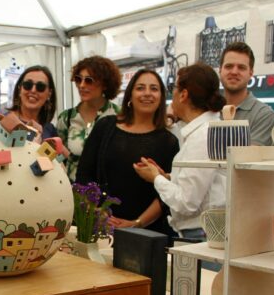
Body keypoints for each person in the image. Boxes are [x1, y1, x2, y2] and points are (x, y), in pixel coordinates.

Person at [76, 69, 179, 236]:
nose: (147, 93)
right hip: (99, 228)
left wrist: (136, 224)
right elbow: (84, 175)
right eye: (140, 88)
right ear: (130, 95)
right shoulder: (106, 126)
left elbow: (166, 194)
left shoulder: (169, 141)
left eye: (153, 89)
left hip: (147, 234)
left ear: (161, 97)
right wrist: (97, 213)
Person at [133, 62, 226, 240]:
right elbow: (202, 186)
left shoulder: (203, 136)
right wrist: (166, 176)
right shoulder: (204, 131)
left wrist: (156, 178)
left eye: (173, 88)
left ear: (183, 95)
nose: (171, 94)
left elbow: (186, 202)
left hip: (199, 235)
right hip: (201, 233)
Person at [57, 56, 122, 181]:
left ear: (105, 84)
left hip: (108, 194)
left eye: (89, 80)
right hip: (73, 192)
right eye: (78, 79)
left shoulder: (119, 116)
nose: (81, 85)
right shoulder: (66, 118)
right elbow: (60, 158)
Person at [219, 41, 274, 146]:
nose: (234, 72)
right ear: (220, 70)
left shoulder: (263, 114)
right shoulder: (209, 109)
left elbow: (246, 157)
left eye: (241, 67)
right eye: (229, 66)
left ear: (251, 73)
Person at [7, 65, 58, 141]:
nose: (33, 90)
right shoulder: (2, 121)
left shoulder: (50, 130)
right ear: (20, 89)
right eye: (28, 85)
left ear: (49, 93)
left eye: (40, 87)